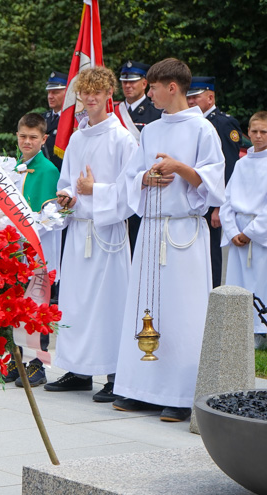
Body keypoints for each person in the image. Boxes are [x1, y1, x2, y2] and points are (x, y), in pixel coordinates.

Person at [112, 58, 225, 423]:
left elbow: (215, 185)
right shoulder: (151, 131)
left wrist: (180, 168)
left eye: (155, 87)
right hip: (151, 229)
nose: (150, 92)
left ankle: (180, 393)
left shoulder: (202, 130)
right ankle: (139, 388)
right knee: (145, 305)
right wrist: (145, 178)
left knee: (183, 312)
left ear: (172, 87)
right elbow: (131, 177)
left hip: (182, 232)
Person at [44, 67, 137, 402]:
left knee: (110, 302)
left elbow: (130, 192)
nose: (91, 98)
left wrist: (94, 189)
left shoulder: (122, 138)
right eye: (86, 93)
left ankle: (115, 373)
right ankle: (79, 370)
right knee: (76, 303)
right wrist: (68, 195)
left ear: (108, 94)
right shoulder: (77, 138)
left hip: (107, 231)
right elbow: (66, 181)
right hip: (80, 229)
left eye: (97, 92)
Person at [0, 112, 62, 388]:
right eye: (23, 136)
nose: (27, 142)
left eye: (33, 137)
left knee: (37, 306)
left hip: (37, 249)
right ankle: (15, 359)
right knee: (13, 304)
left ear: (44, 139)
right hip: (14, 249)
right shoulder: (14, 166)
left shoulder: (48, 171)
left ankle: (37, 365)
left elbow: (51, 214)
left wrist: (25, 227)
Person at [187, 76, 245, 288]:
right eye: (189, 98)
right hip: (197, 196)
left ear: (210, 98)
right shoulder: (194, 123)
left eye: (196, 97)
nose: (191, 102)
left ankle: (213, 294)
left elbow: (228, 166)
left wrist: (219, 206)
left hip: (213, 200)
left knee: (211, 251)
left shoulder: (222, 123)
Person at [219, 111, 267, 342]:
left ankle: (261, 332)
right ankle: (239, 331)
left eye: (263, 132)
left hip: (258, 232)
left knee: (261, 280)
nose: (258, 136)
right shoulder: (241, 163)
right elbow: (227, 200)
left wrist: (250, 232)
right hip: (238, 230)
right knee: (239, 283)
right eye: (254, 131)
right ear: (248, 132)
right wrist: (232, 231)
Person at [115, 60, 163, 257]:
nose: (128, 85)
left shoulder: (157, 113)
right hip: (117, 182)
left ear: (144, 84)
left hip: (143, 185)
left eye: (133, 81)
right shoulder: (113, 112)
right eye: (124, 82)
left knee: (139, 247)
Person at [41, 71, 67, 171]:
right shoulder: (44, 118)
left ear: (67, 93)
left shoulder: (73, 121)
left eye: (55, 92)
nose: (50, 96)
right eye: (49, 92)